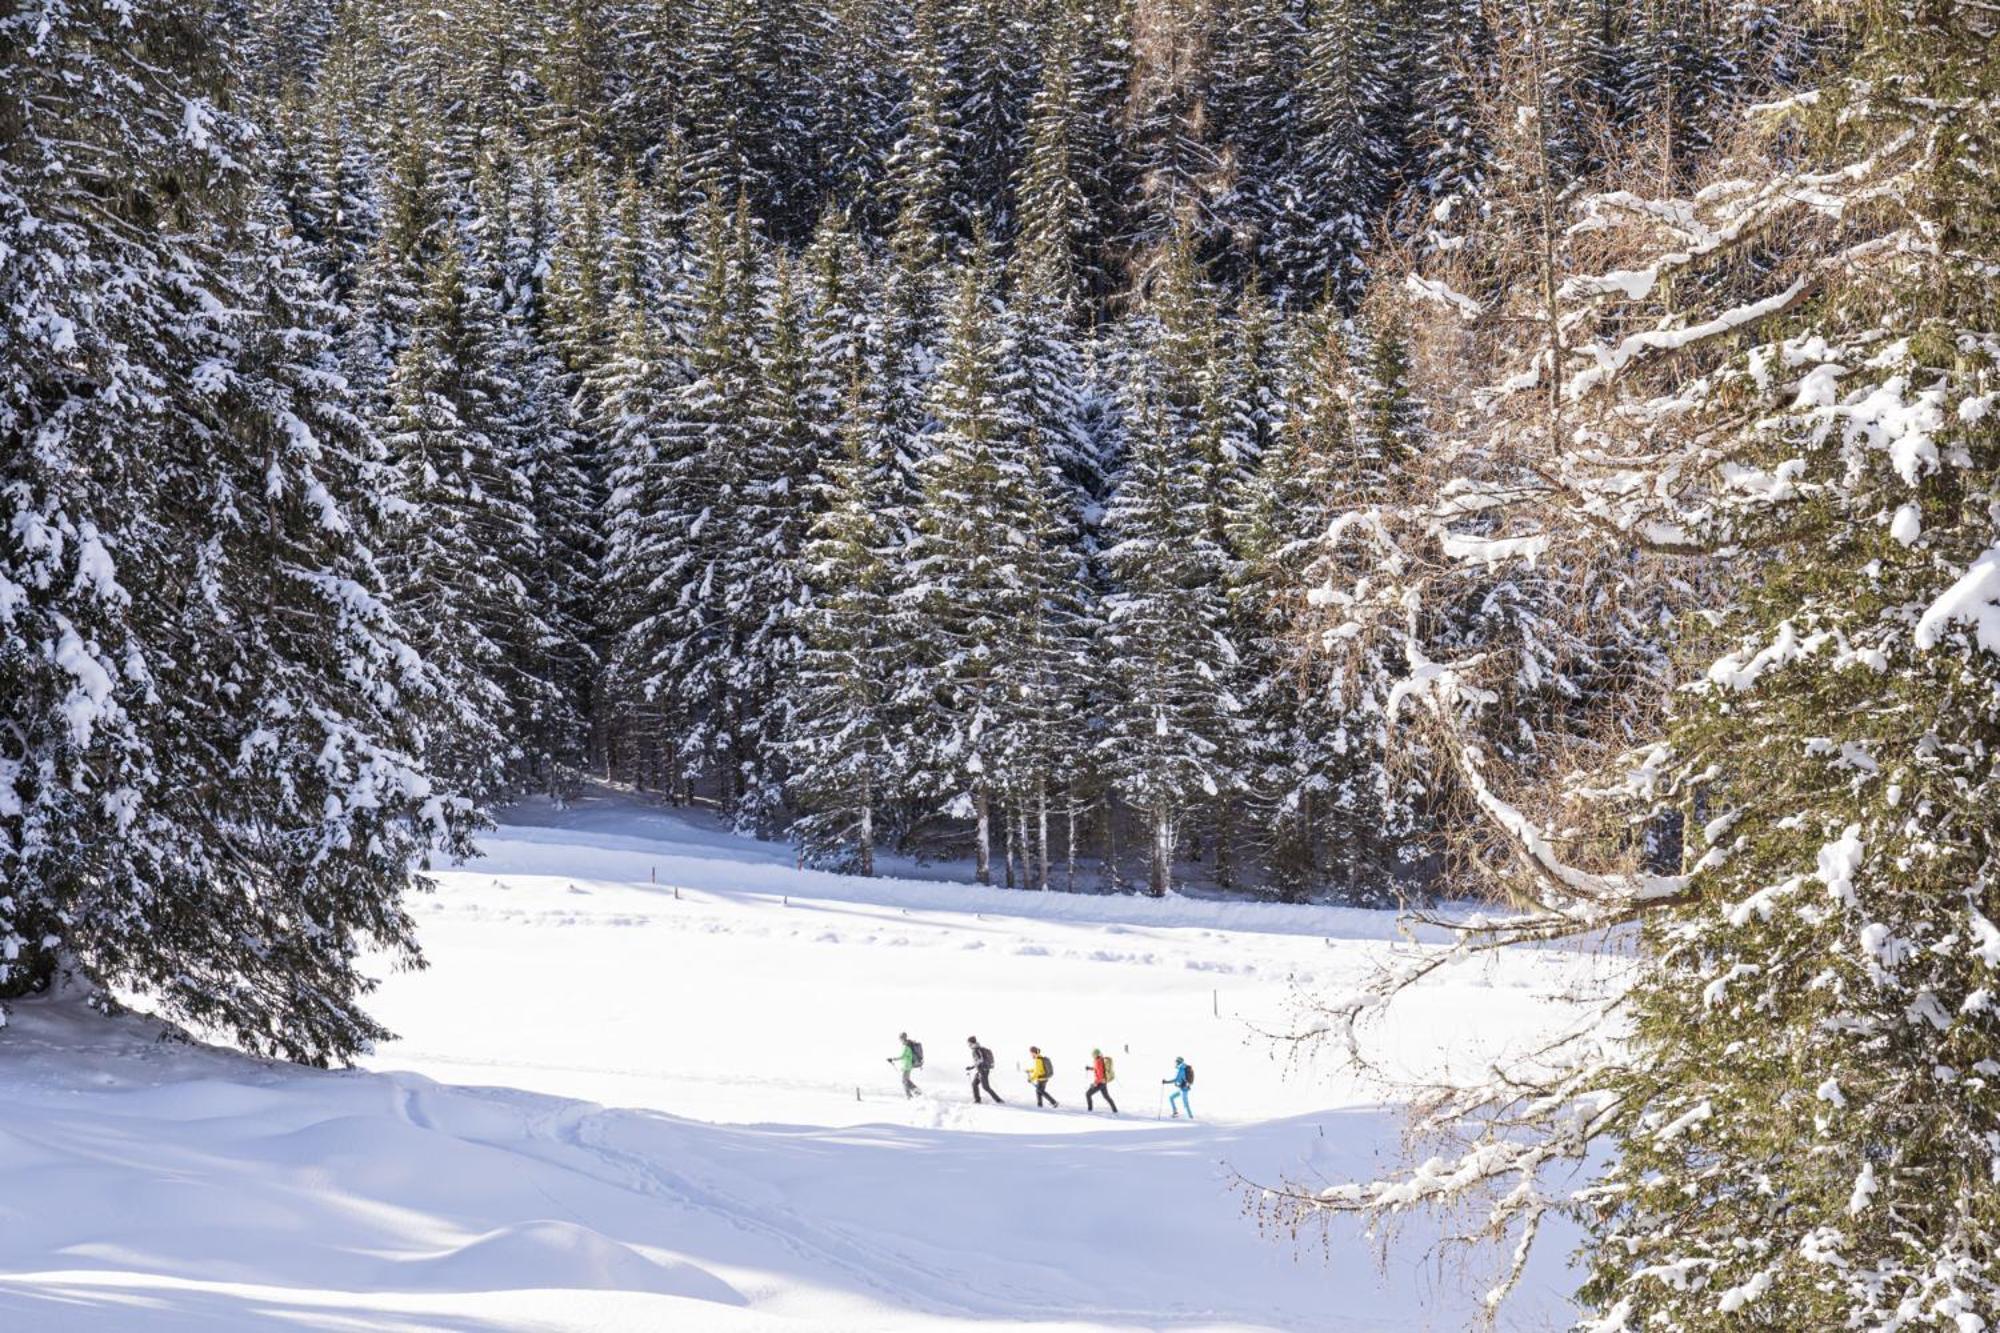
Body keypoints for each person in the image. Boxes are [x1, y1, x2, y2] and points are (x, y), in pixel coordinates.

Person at [966, 1036, 1003, 1104]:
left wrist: (971, 1067)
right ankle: (977, 1100)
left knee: (986, 1087)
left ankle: (999, 1100)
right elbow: (979, 1060)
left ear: (971, 1043)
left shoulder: (976, 1050)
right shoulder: (978, 1048)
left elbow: (980, 1059)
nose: (968, 1045)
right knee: (974, 1084)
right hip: (981, 1070)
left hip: (982, 1071)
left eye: (968, 1043)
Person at [1084, 1048, 1118, 1113]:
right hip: (1103, 1082)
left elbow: (1100, 1075)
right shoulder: (1101, 1059)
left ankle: (1089, 1110)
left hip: (1100, 1082)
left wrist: (1094, 1083)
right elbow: (1098, 1069)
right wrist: (1090, 1068)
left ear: (1094, 1055)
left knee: (1088, 1094)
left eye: (1093, 1055)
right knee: (1106, 1097)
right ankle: (1115, 1110)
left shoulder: (1097, 1062)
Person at [887, 1032, 919, 1099]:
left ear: (902, 1038)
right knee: (906, 1081)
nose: (899, 1040)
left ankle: (910, 1096)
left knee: (904, 1081)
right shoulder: (907, 1045)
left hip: (906, 1066)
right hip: (907, 1066)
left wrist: (892, 1059)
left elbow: (902, 1056)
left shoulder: (906, 1046)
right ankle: (916, 1092)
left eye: (900, 1038)